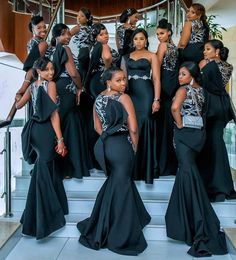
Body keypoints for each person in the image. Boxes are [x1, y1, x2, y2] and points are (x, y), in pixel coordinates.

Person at [77, 67, 151, 255]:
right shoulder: (123, 98)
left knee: (116, 182)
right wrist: (134, 146)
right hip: (121, 146)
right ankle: (120, 233)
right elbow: (133, 128)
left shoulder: (99, 99)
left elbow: (96, 126)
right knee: (122, 184)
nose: (124, 83)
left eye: (124, 79)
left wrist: (108, 137)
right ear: (108, 82)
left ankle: (104, 222)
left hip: (105, 145)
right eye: (118, 80)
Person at [165, 61, 228, 257]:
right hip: (199, 135)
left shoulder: (184, 89)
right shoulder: (203, 91)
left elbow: (175, 108)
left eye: (183, 74)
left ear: (191, 75)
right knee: (187, 171)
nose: (179, 77)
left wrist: (180, 125)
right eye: (179, 74)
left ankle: (196, 219)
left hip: (184, 136)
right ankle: (187, 219)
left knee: (186, 171)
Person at [15, 57, 68, 239]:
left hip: (34, 130)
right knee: (44, 167)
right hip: (45, 129)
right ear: (38, 71)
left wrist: (17, 94)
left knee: (41, 168)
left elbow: (18, 105)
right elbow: (53, 114)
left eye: (52, 69)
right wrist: (60, 139)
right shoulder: (50, 85)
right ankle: (46, 216)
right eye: (47, 70)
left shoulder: (31, 87)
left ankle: (33, 215)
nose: (51, 73)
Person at [49, 23, 92, 178]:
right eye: (64, 34)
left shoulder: (54, 51)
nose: (68, 36)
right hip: (67, 89)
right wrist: (80, 87)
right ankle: (69, 167)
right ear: (56, 36)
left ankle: (65, 167)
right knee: (68, 124)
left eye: (68, 33)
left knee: (65, 124)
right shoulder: (65, 49)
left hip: (59, 89)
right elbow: (73, 73)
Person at [198, 39, 236, 202]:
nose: (205, 52)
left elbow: (212, 86)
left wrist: (205, 69)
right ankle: (217, 185)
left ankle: (219, 187)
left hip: (214, 108)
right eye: (204, 49)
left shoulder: (217, 66)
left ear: (217, 51)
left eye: (208, 49)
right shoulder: (222, 66)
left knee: (215, 144)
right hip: (218, 106)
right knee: (214, 144)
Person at [122, 28, 160, 183]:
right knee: (131, 126)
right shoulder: (126, 57)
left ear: (146, 40)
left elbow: (156, 79)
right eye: (136, 39)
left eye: (141, 38)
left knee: (144, 123)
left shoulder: (152, 56)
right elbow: (122, 80)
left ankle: (146, 168)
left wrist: (156, 99)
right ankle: (132, 166)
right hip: (130, 95)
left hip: (146, 94)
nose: (139, 41)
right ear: (132, 41)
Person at [156, 18, 178, 176]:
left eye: (161, 33)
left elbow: (156, 67)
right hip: (173, 85)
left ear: (169, 32)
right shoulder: (175, 47)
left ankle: (162, 165)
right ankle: (170, 164)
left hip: (164, 85)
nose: (159, 36)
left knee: (162, 126)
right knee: (169, 126)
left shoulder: (163, 46)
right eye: (157, 34)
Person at [16, 15, 49, 106]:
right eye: (39, 28)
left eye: (44, 27)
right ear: (33, 29)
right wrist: (24, 85)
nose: (43, 29)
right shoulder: (36, 42)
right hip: (36, 78)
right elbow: (33, 64)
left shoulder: (39, 41)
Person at [69, 7, 93, 82]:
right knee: (85, 75)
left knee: (80, 75)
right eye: (78, 15)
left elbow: (65, 37)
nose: (78, 18)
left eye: (82, 16)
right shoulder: (91, 29)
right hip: (88, 54)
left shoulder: (77, 28)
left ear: (87, 19)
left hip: (81, 54)